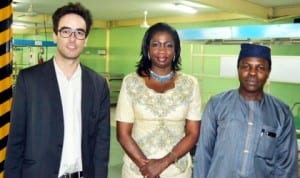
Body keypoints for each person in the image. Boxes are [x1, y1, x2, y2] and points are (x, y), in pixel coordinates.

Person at [4, 3, 110, 178]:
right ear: (55, 35)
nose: (72, 38)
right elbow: (16, 141)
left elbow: (101, 145)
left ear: (86, 39)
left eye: (79, 32)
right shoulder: (29, 80)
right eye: (66, 31)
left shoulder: (98, 85)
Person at [193, 43, 298, 178]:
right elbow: (203, 155)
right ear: (238, 69)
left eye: (260, 68)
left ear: (268, 71)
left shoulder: (282, 113)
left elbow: (286, 167)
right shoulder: (217, 105)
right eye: (246, 66)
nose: (252, 73)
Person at [115, 22, 201, 178]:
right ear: (147, 49)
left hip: (177, 171)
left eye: (168, 45)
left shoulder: (190, 84)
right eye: (156, 44)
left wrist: (163, 163)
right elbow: (122, 134)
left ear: (176, 51)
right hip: (137, 172)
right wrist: (147, 168)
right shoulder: (130, 82)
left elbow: (193, 134)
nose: (162, 50)